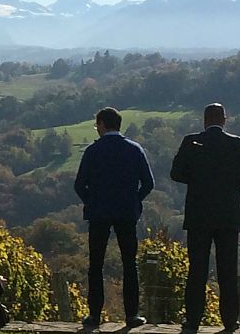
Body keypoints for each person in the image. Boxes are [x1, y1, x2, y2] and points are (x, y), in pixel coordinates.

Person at [171, 103, 240, 334]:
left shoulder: (191, 142)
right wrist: (231, 184)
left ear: (204, 120)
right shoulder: (239, 144)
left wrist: (198, 181)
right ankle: (230, 320)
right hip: (228, 215)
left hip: (198, 214)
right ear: (224, 119)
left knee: (197, 270)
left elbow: (176, 173)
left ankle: (192, 320)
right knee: (228, 270)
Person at [74, 107, 154, 327]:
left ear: (102, 124)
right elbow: (149, 183)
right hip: (126, 212)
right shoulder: (134, 149)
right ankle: (131, 315)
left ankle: (94, 315)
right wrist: (135, 200)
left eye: (96, 125)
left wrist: (91, 201)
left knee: (96, 264)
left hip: (99, 212)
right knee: (129, 263)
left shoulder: (93, 151)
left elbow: (79, 184)